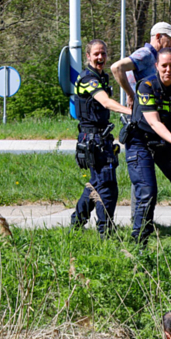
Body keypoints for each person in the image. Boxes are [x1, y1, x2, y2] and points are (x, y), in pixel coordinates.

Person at [123, 48, 171, 243]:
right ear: (156, 66)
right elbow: (154, 123)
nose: (168, 70)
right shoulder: (146, 86)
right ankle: (139, 242)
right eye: (164, 65)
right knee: (147, 192)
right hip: (141, 142)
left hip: (166, 142)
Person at [71, 39, 132, 233]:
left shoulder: (102, 77)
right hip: (92, 140)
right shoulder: (88, 79)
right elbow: (105, 102)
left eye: (103, 53)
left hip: (102, 138)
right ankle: (105, 231)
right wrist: (131, 112)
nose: (100, 57)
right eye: (96, 54)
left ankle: (76, 224)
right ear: (88, 56)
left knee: (96, 184)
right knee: (106, 186)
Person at [110, 22, 171, 108]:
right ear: (158, 37)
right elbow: (117, 67)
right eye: (170, 38)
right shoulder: (146, 54)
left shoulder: (155, 56)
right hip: (141, 111)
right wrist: (130, 95)